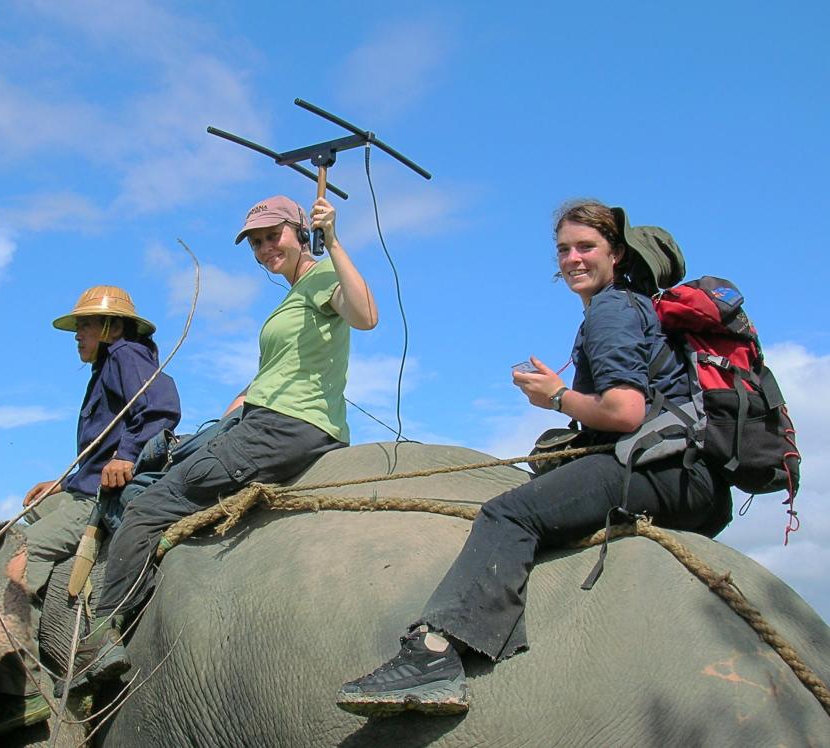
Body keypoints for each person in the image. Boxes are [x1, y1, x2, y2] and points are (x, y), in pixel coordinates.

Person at [335, 200, 732, 717]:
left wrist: (556, 398)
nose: (572, 259)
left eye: (586, 247)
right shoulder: (638, 308)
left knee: (509, 511)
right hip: (694, 480)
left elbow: (626, 411)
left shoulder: (612, 310)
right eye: (564, 249)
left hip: (666, 471)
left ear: (616, 253)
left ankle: (434, 657)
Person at [69, 195, 379, 689]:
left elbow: (365, 316)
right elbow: (280, 371)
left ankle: (104, 634)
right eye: (255, 243)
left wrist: (336, 239)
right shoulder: (294, 293)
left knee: (148, 508)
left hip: (282, 429)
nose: (263, 250)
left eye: (272, 236)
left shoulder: (322, 277)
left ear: (302, 232)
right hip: (268, 419)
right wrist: (239, 403)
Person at [0, 286, 180, 738]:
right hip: (85, 484)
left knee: (18, 556)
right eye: (78, 325)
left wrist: (125, 456)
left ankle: (20, 687)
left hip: (97, 498)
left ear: (111, 327)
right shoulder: (108, 364)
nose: (78, 335)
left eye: (85, 325)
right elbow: (106, 437)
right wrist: (65, 481)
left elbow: (161, 408)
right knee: (35, 508)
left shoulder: (127, 355)